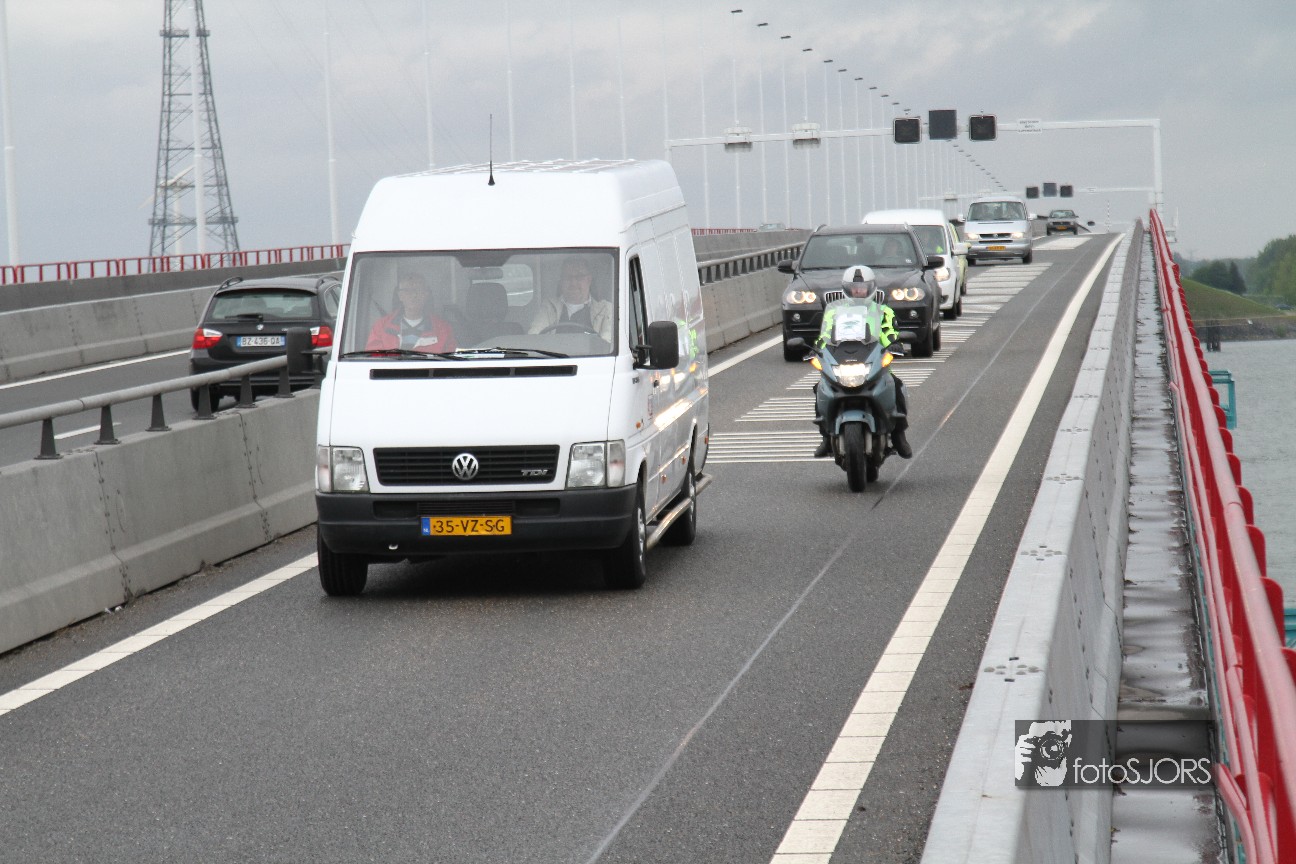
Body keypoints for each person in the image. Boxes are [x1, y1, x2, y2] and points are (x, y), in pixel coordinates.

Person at [812, 265, 912, 459]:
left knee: (897, 385)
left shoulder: (883, 311)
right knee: (819, 387)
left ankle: (899, 435)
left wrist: (894, 344)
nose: (858, 292)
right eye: (854, 288)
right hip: (843, 357)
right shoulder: (834, 312)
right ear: (846, 289)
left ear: (871, 288)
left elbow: (890, 331)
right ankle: (825, 435)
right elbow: (825, 335)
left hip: (873, 358)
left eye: (862, 288)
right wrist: (817, 348)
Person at [365, 273, 457, 352]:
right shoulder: (381, 327)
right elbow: (374, 361)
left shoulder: (443, 329)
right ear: (400, 296)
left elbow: (450, 362)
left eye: (418, 290)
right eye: (407, 291)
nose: (414, 295)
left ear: (426, 295)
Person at [529, 256, 614, 342]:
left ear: (589, 280)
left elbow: (607, 343)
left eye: (579, 277)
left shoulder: (606, 310)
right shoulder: (549, 307)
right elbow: (534, 336)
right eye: (568, 277)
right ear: (561, 281)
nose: (573, 283)